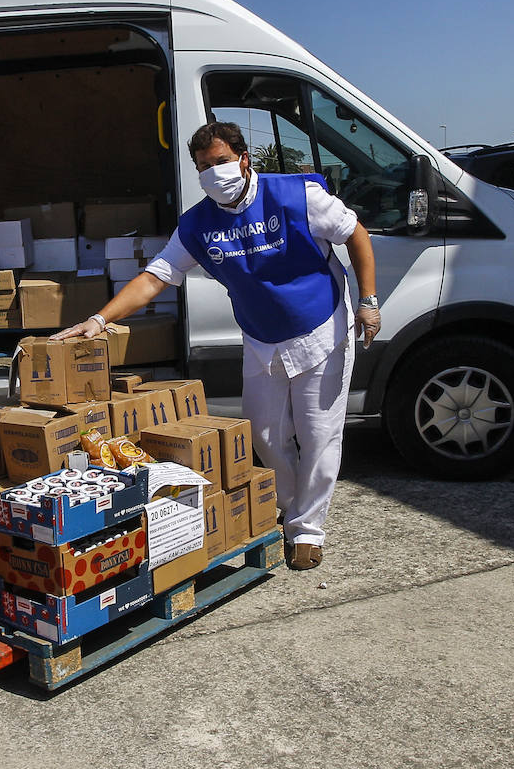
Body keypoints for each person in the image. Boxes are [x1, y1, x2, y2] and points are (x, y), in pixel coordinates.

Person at [54, 122, 379, 572]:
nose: (213, 172)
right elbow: (155, 277)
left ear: (244, 159)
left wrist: (368, 302)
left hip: (320, 328)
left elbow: (356, 235)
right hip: (262, 338)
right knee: (264, 434)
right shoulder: (197, 225)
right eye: (204, 166)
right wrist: (97, 319)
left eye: (221, 162)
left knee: (319, 438)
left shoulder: (296, 196)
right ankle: (289, 504)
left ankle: (307, 529)